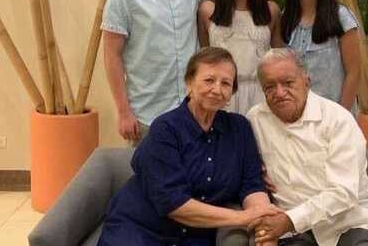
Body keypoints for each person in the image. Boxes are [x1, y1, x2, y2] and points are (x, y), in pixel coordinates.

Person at [97, 47, 279, 246]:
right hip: (141, 228)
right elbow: (173, 203)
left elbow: (251, 186)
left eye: (226, 83)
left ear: (232, 92)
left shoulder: (240, 128)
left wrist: (264, 222)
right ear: (189, 83)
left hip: (196, 237)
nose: (217, 89)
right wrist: (243, 218)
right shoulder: (165, 129)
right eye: (209, 80)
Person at [246, 48, 368, 246]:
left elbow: (344, 192)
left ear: (306, 81)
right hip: (296, 233)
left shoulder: (338, 120)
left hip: (351, 223)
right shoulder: (255, 120)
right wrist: (256, 173)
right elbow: (240, 170)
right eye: (270, 86)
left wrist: (290, 220)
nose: (279, 93)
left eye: (288, 83)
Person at [101, 0, 211, 143]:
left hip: (193, 111)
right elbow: (111, 56)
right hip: (147, 115)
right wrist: (123, 112)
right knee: (149, 179)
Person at [198, 0, 282, 115]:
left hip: (260, 97)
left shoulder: (271, 11)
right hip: (219, 96)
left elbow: (279, 59)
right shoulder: (207, 10)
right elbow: (204, 58)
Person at [281, 0, 360, 112]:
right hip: (295, 115)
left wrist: (342, 116)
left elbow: (354, 73)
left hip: (332, 115)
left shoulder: (341, 17)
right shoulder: (285, 18)